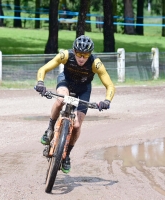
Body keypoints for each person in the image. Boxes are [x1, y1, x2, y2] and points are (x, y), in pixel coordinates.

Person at [35, 35, 115, 173]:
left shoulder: (96, 64)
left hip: (83, 89)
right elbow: (44, 69)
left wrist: (107, 101)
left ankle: (67, 155)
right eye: (79, 54)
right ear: (74, 51)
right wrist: (40, 82)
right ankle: (49, 129)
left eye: (85, 55)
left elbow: (110, 86)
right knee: (61, 99)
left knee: (77, 125)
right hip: (66, 82)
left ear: (90, 54)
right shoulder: (65, 55)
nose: (81, 58)